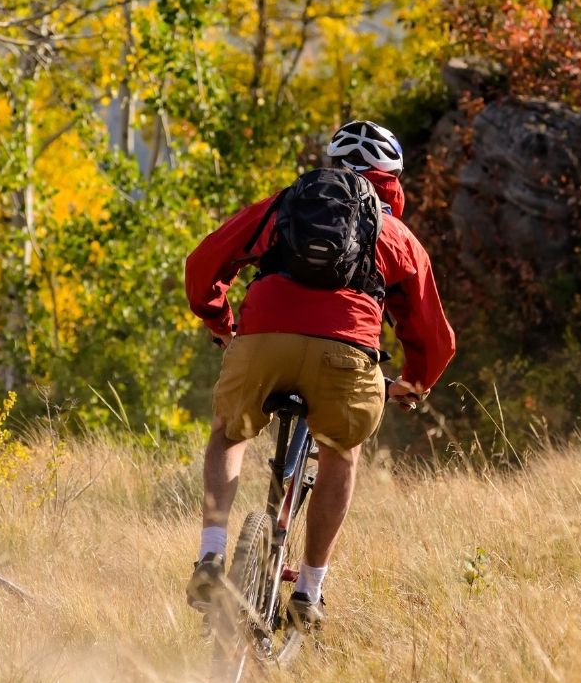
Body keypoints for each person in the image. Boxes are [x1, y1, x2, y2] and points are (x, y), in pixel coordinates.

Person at [182, 120, 454, 628]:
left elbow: (203, 266)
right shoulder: (395, 233)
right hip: (347, 356)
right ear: (390, 180)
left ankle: (212, 556)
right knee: (341, 454)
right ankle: (309, 591)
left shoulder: (282, 206)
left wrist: (223, 324)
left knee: (228, 433)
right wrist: (412, 385)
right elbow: (435, 337)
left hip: (263, 341)